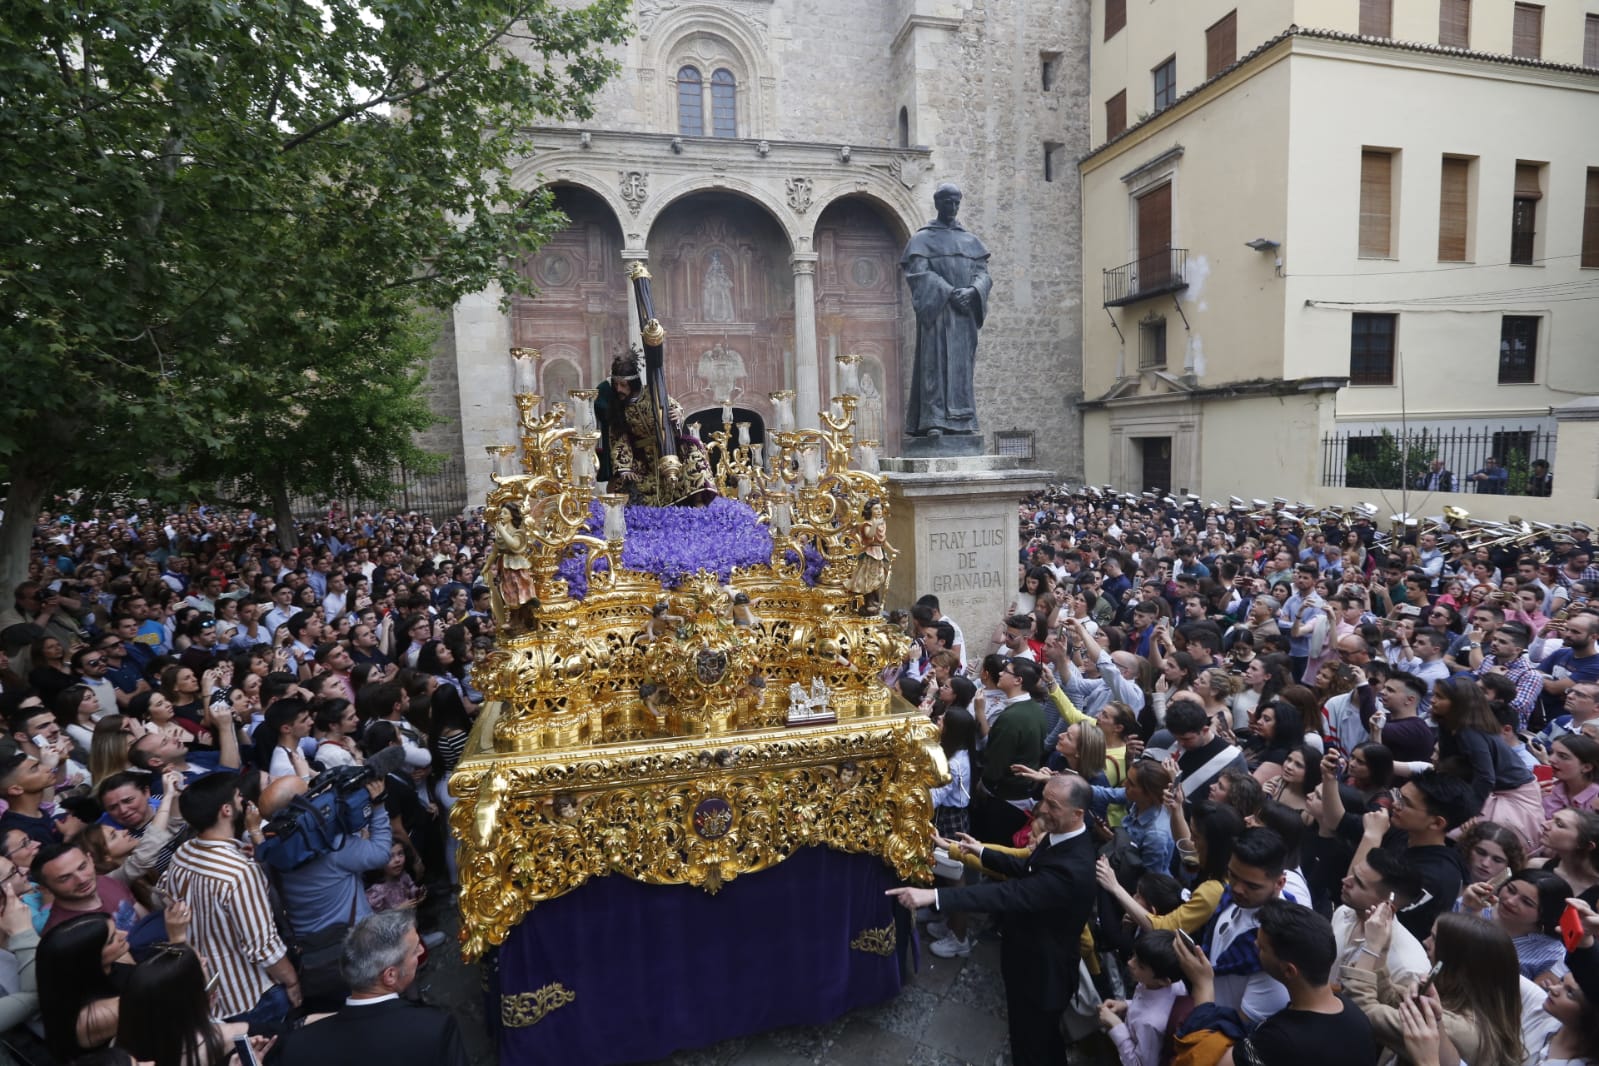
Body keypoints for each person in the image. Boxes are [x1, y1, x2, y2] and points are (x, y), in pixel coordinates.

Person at [886, 774, 1097, 1066]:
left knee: (1035, 1043)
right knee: (1025, 1034)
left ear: (1078, 814)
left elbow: (1010, 893)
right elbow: (1026, 867)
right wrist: (981, 852)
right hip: (1026, 958)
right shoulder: (1062, 836)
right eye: (1043, 799)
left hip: (1042, 972)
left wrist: (935, 897)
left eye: (1053, 805)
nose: (1042, 809)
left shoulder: (1072, 869)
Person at [157, 771, 299, 1024]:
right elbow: (263, 947)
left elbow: (164, 893)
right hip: (252, 998)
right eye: (237, 797)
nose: (242, 801)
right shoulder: (239, 873)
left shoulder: (183, 852)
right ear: (225, 810)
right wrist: (292, 981)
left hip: (212, 996)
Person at [1177, 899, 1378, 1066]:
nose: (1255, 945)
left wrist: (1203, 986)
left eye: (1263, 948)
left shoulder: (1280, 1039)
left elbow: (1216, 1061)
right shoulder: (1356, 1016)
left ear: (1289, 970)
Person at [265, 910, 469, 1066]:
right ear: (390, 975)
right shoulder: (435, 1028)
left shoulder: (299, 1046)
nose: (422, 950)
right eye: (415, 950)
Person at [1342, 907, 1525, 1066]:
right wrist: (1382, 949)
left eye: (1434, 939)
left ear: (1456, 961)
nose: (1426, 943)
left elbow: (1361, 1012)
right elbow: (1391, 1001)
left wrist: (1371, 946)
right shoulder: (1470, 1010)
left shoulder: (1457, 1028)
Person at [899, 182, 992, 439]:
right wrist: (949, 292)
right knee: (934, 367)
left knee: (963, 369)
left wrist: (973, 291)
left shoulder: (971, 241)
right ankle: (934, 420)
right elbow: (918, 273)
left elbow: (983, 274)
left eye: (956, 202)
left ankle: (963, 422)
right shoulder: (922, 239)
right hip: (938, 312)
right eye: (947, 202)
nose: (952, 207)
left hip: (964, 316)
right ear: (937, 203)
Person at [596, 347, 716, 507]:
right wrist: (624, 468)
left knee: (693, 452)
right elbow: (619, 439)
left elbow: (674, 407)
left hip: (667, 451)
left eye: (623, 385)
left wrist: (677, 414)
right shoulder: (618, 408)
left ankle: (698, 502)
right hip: (642, 461)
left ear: (633, 383)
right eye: (616, 385)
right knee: (623, 485)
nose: (619, 389)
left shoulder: (653, 394)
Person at [36, 913, 133, 1060]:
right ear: (89, 959)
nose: (124, 934)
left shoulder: (105, 968)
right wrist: (176, 937)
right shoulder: (99, 1015)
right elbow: (168, 997)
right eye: (112, 939)